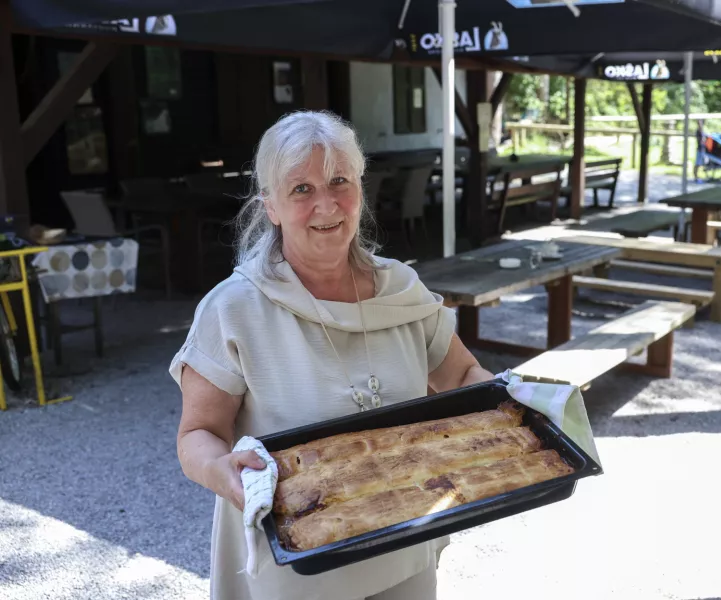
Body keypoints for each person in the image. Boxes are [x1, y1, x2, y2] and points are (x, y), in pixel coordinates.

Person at [170, 110, 496, 600]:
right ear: (271, 207)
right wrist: (222, 472)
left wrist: (513, 408)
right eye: (301, 189)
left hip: (404, 536)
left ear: (360, 189)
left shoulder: (401, 289)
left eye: (339, 181)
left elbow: (463, 373)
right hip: (300, 559)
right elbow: (199, 434)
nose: (327, 205)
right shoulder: (233, 310)